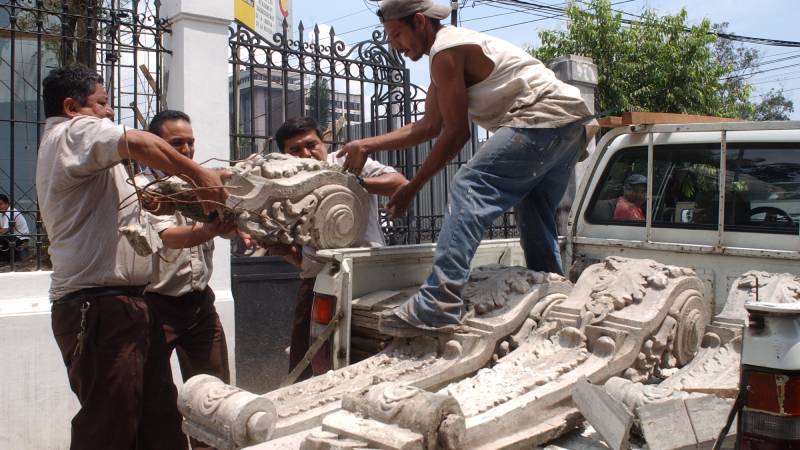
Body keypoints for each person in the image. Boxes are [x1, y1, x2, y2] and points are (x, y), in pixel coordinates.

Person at [336, 0, 595, 337]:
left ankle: (438, 302)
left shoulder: (447, 51)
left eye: (397, 34)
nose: (395, 46)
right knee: (534, 209)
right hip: (572, 123)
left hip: (543, 115)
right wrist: (365, 145)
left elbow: (456, 133)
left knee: (470, 185)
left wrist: (412, 187)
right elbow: (429, 126)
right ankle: (554, 296)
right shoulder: (443, 57)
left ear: (420, 22)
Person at [38, 64, 227, 450]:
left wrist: (212, 204)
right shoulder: (71, 132)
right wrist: (199, 176)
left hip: (127, 307)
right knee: (110, 426)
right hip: (99, 308)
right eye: (102, 103)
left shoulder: (100, 168)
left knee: (156, 420)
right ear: (72, 106)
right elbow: (137, 141)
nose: (109, 111)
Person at [270, 117, 407, 380]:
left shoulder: (347, 163)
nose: (306, 153)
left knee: (369, 356)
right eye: (295, 150)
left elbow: (399, 182)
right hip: (316, 282)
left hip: (366, 275)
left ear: (324, 142)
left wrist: (350, 183)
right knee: (306, 364)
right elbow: (301, 254)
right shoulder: (284, 183)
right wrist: (281, 250)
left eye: (311, 144)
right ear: (284, 156)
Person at [140, 110, 234, 450]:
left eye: (190, 141)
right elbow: (168, 236)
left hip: (199, 305)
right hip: (154, 308)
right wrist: (210, 228)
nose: (187, 149)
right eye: (176, 143)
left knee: (215, 395)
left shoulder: (204, 183)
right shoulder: (141, 188)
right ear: (155, 147)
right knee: (157, 399)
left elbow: (228, 220)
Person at [0, 193, 30, 262]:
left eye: (0, 204)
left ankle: (6, 261)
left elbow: (5, 230)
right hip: (13, 237)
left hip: (20, 238)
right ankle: (6, 260)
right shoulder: (2, 214)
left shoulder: (10, 212)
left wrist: (2, 230)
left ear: (7, 203)